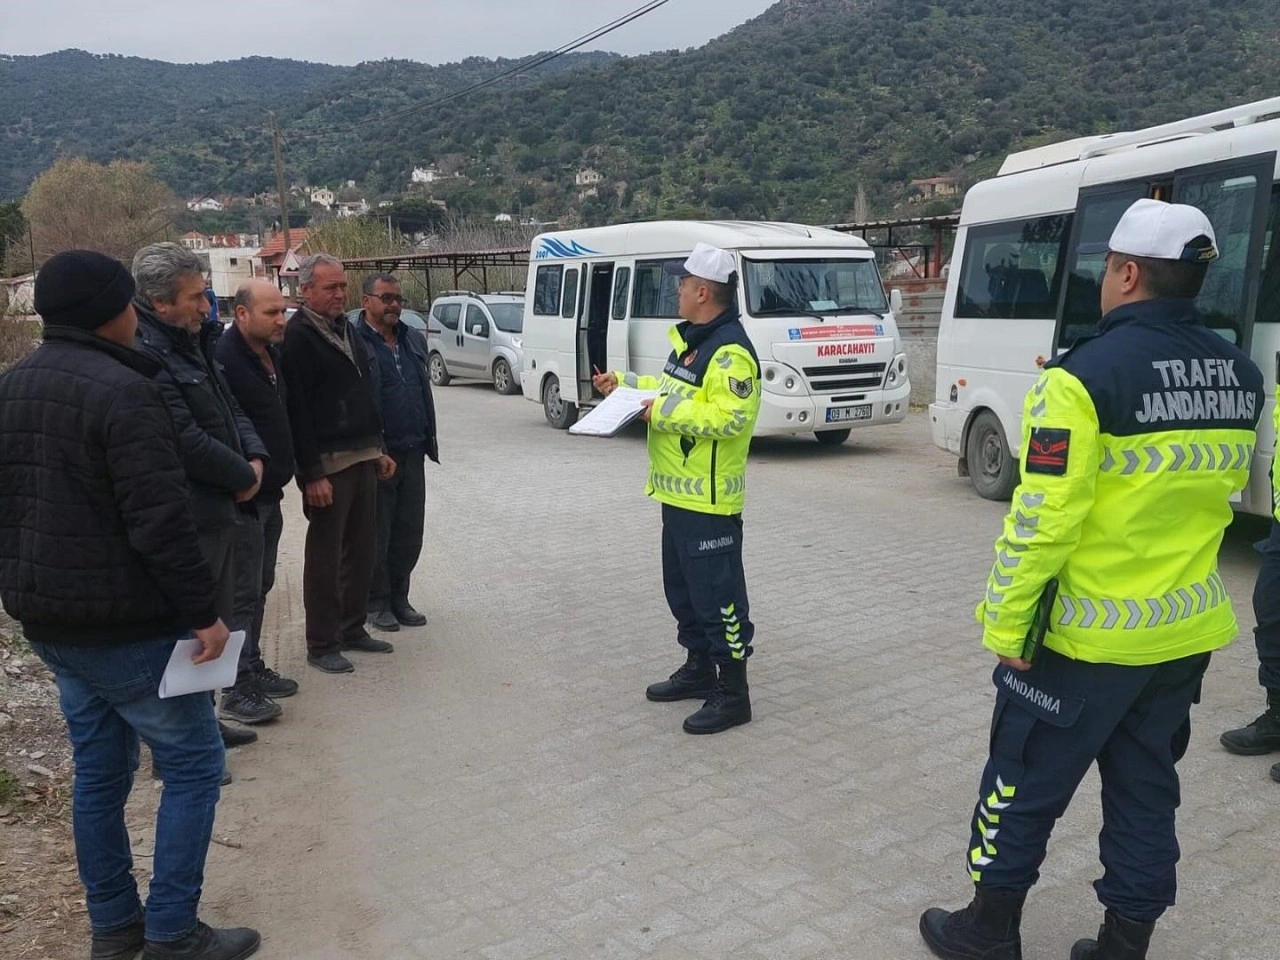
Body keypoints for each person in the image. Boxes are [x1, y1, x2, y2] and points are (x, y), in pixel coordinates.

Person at [919, 199, 1264, 960]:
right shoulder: (1241, 375)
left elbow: (1042, 521)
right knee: (1146, 793)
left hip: (1082, 641)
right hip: (1181, 636)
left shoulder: (1080, 379)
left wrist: (1007, 624)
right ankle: (1123, 944)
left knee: (1020, 783)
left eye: (1107, 267)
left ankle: (989, 930)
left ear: (1128, 273)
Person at [0, 250, 260, 960]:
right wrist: (205, 615)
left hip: (53, 624)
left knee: (100, 774)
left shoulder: (12, 385)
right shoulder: (126, 390)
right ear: (111, 311)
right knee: (195, 765)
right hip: (128, 626)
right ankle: (173, 932)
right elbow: (160, 522)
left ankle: (114, 928)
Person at [592, 242, 762, 735]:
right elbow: (671, 391)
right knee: (685, 592)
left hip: (709, 502)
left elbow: (731, 417)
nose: (677, 290)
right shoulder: (691, 343)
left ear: (703, 292)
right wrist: (625, 385)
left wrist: (658, 412)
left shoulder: (730, 352)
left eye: (683, 283)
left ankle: (733, 694)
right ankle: (698, 668)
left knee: (720, 599)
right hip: (678, 497)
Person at [132, 243, 270, 755]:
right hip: (193, 513)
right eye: (195, 297)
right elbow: (184, 438)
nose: (206, 306)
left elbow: (231, 409)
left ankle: (205, 722)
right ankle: (182, 748)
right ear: (159, 301)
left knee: (218, 618)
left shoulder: (193, 342)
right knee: (192, 627)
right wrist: (241, 474)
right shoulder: (147, 353)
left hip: (224, 504)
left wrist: (254, 458)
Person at [281, 254, 397, 673]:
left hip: (363, 455)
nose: (339, 293)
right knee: (326, 558)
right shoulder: (296, 337)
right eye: (330, 287)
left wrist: (378, 448)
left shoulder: (347, 329)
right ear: (305, 290)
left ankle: (352, 627)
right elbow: (296, 410)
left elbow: (365, 394)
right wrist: (311, 473)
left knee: (362, 550)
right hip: (328, 465)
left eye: (343, 286)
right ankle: (322, 643)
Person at [215, 280, 300, 724]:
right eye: (271, 313)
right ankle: (234, 688)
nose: (281, 320)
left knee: (260, 586)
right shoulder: (225, 360)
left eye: (283, 311)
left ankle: (250, 665)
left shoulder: (270, 354)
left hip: (271, 494)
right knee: (241, 594)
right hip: (244, 498)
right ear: (242, 314)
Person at [353, 273, 440, 632]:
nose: (394, 305)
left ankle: (400, 597)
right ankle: (377, 603)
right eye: (386, 298)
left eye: (398, 299)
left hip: (413, 451)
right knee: (378, 534)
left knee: (408, 532)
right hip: (378, 457)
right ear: (366, 301)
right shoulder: (355, 342)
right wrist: (373, 447)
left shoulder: (411, 339)